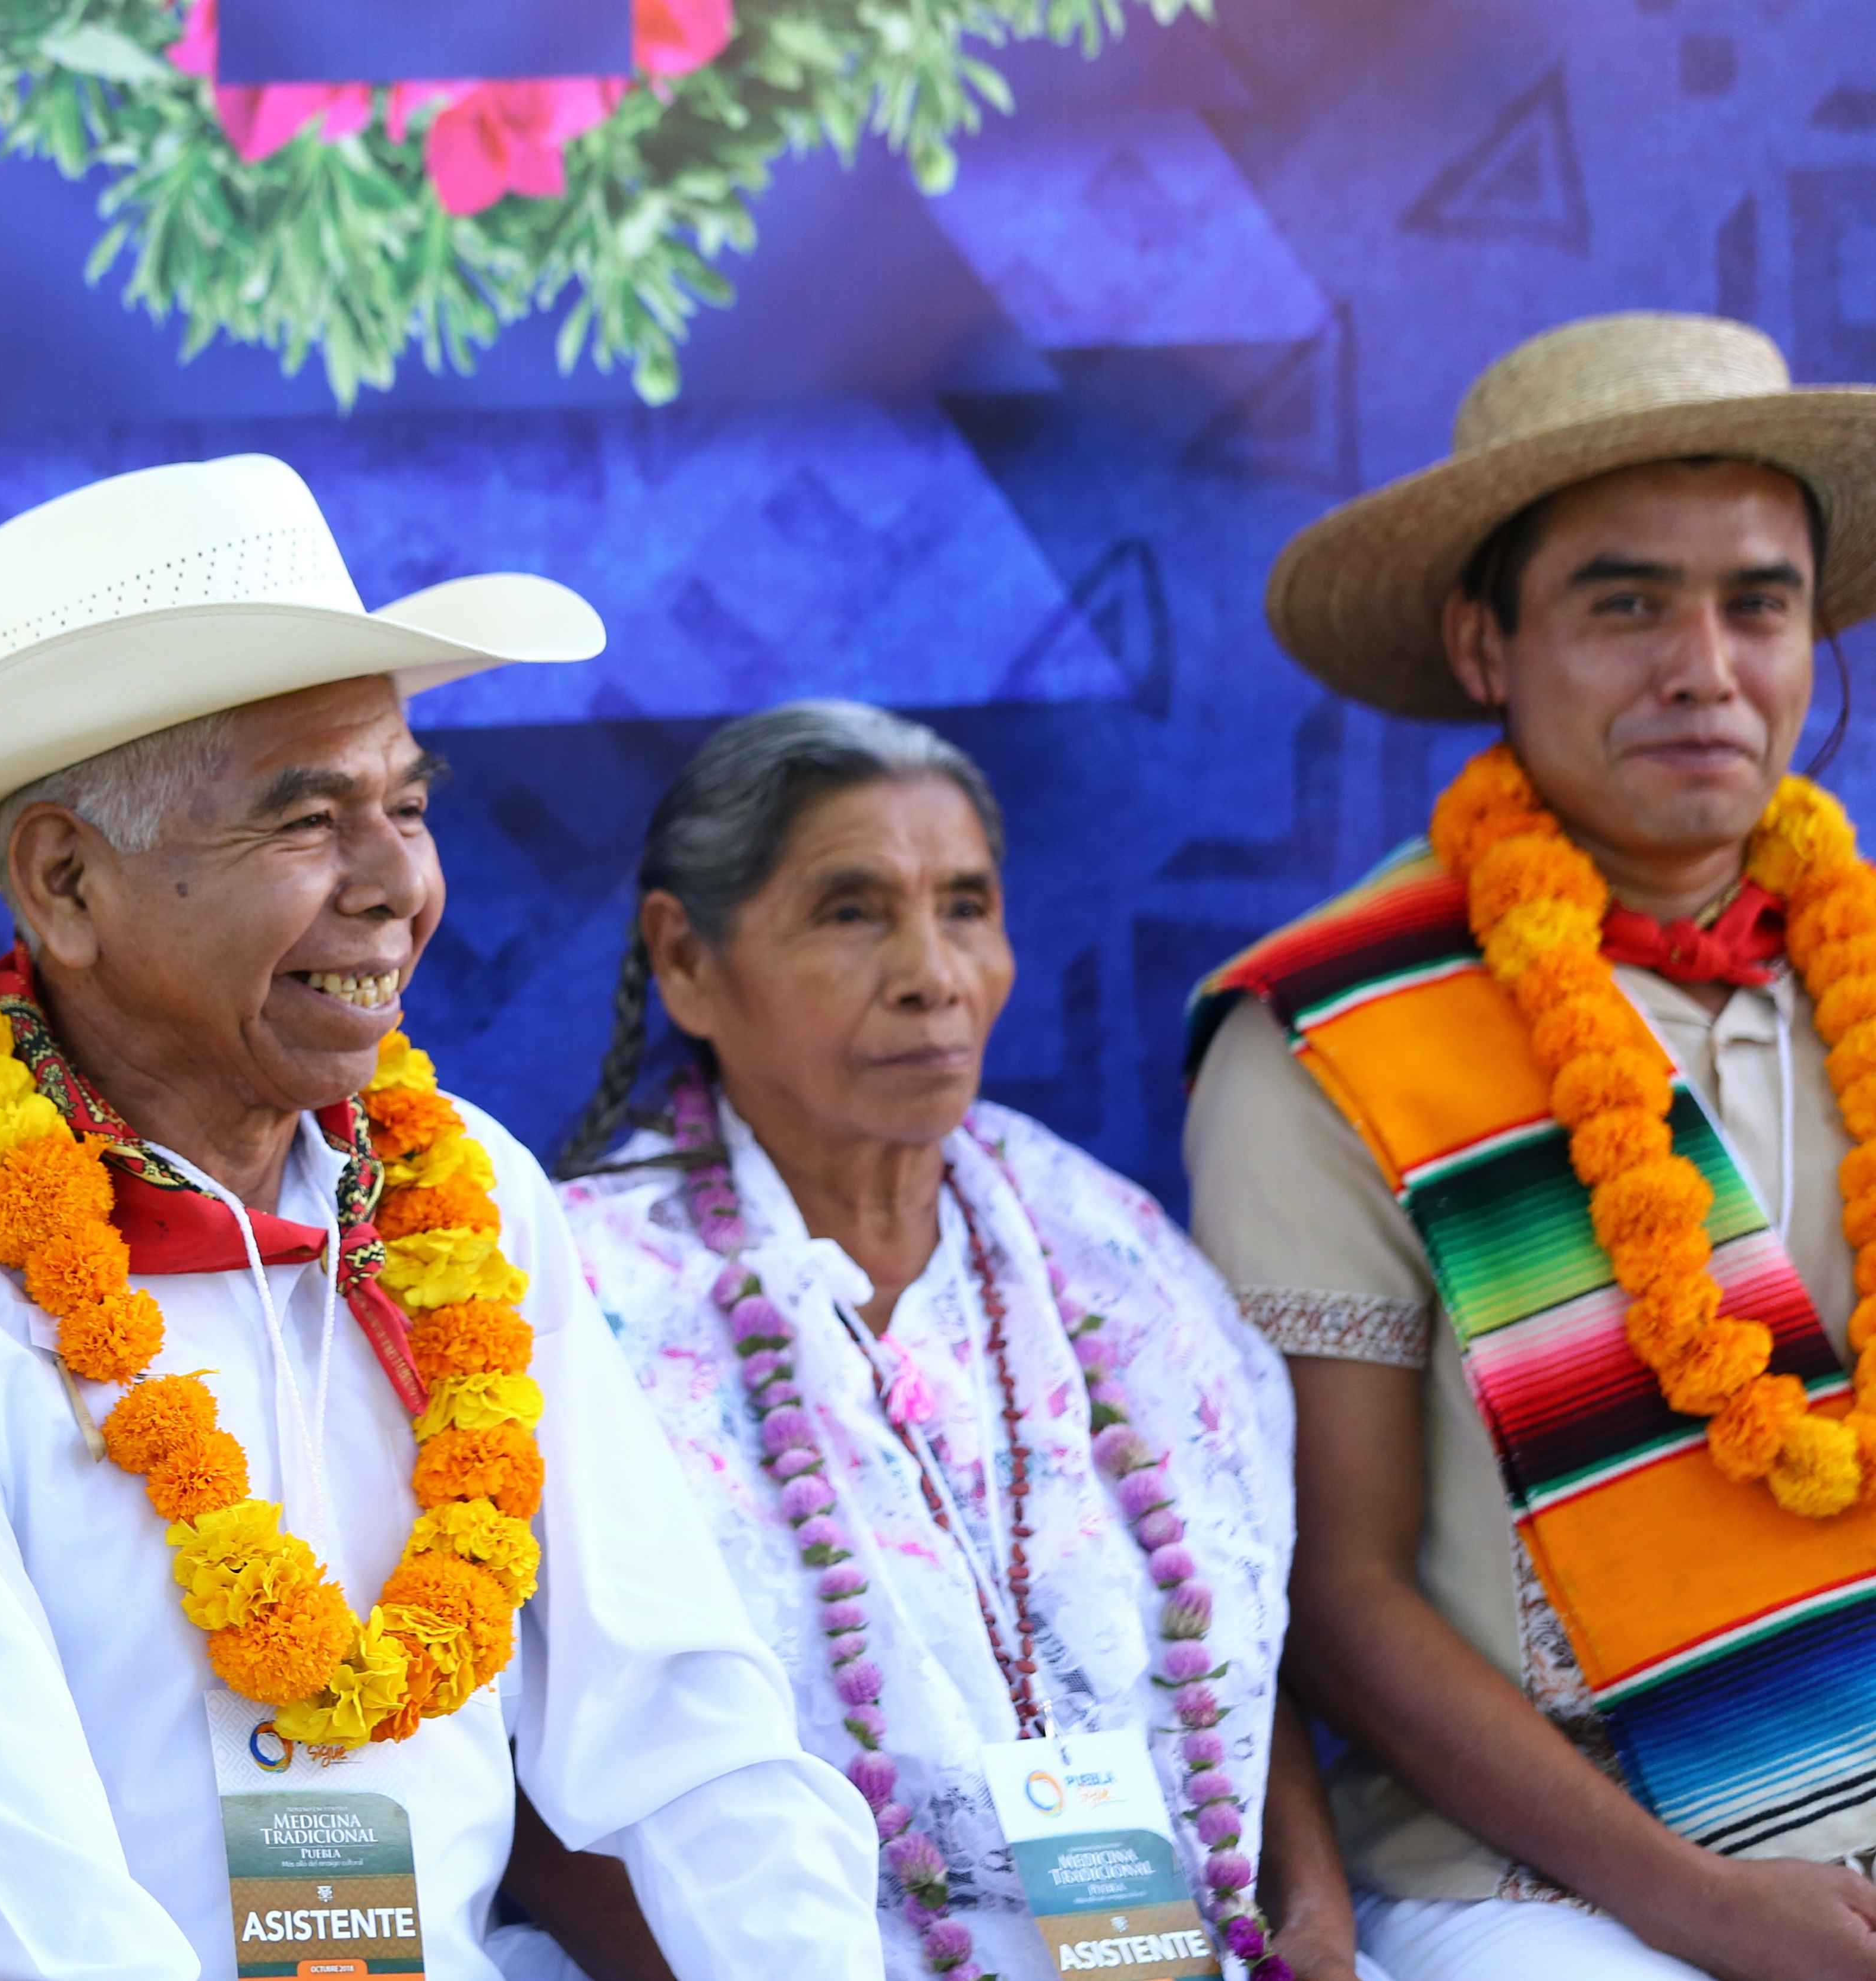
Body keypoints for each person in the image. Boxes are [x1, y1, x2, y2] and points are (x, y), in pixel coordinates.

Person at [0, 453, 886, 1980]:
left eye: (408, 804)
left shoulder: (467, 1187)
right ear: (66, 882)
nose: (396, 883)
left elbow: (689, 1732)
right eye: (307, 819)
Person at [1185, 311, 1876, 1981]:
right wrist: (1706, 1906)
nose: (1702, 665)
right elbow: (1333, 1596)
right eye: (1625, 600)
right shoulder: (1329, 1029)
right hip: (1541, 1879)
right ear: (1485, 645)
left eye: (1756, 601)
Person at [549, 701, 1363, 1981]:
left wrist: (1314, 1921)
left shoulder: (1108, 1250)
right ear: (686, 958)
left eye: (967, 905)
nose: (932, 969)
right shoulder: (584, 1299)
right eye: (852, 909)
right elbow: (549, 1783)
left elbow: (1236, 1639)